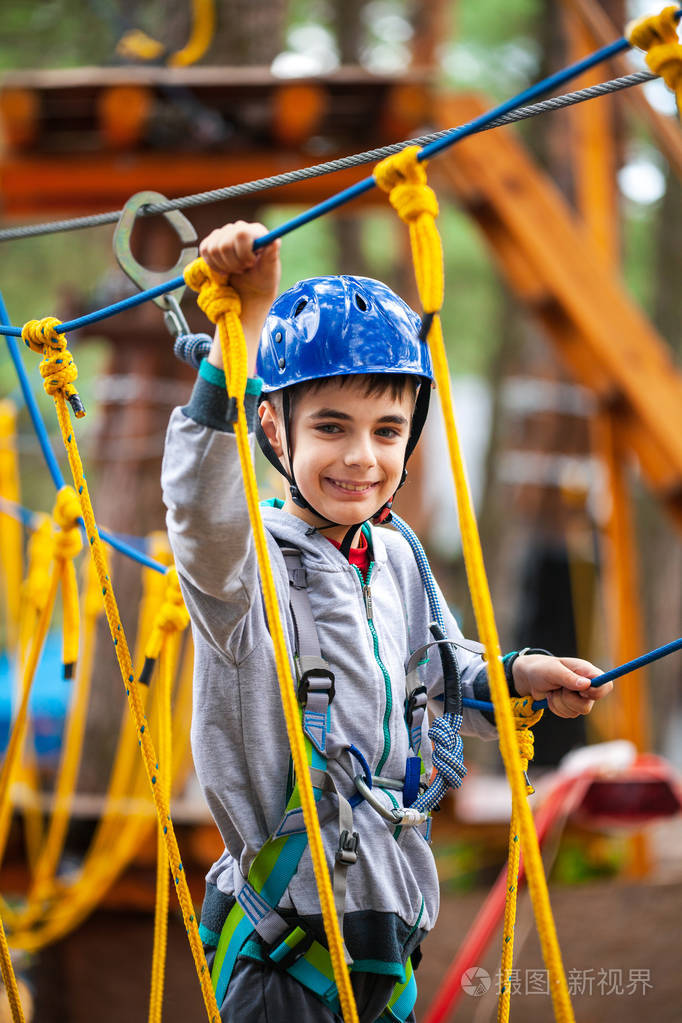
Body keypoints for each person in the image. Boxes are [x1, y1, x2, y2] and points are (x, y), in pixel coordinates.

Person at [161, 221, 612, 1022]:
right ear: (273, 427)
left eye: (386, 430)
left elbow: (432, 671)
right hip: (287, 951)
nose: (361, 458)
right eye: (330, 426)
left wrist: (513, 675)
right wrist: (245, 324)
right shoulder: (245, 569)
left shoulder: (393, 551)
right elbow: (201, 514)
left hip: (386, 938)